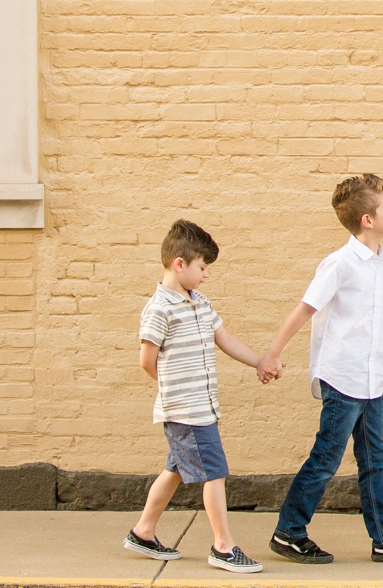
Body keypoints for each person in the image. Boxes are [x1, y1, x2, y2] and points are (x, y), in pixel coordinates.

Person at [259, 173, 383, 565]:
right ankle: (289, 531)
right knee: (326, 459)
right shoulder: (339, 264)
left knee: (375, 461)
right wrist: (272, 353)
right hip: (342, 377)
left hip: (372, 382)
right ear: (367, 219)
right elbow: (305, 308)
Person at [124, 219, 268, 573]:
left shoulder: (200, 302)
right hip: (186, 410)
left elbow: (225, 340)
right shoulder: (160, 308)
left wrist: (259, 362)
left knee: (175, 469)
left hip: (202, 406)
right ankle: (223, 546)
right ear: (179, 264)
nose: (206, 275)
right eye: (202, 267)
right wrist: (174, 388)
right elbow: (147, 360)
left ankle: (143, 531)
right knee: (214, 472)